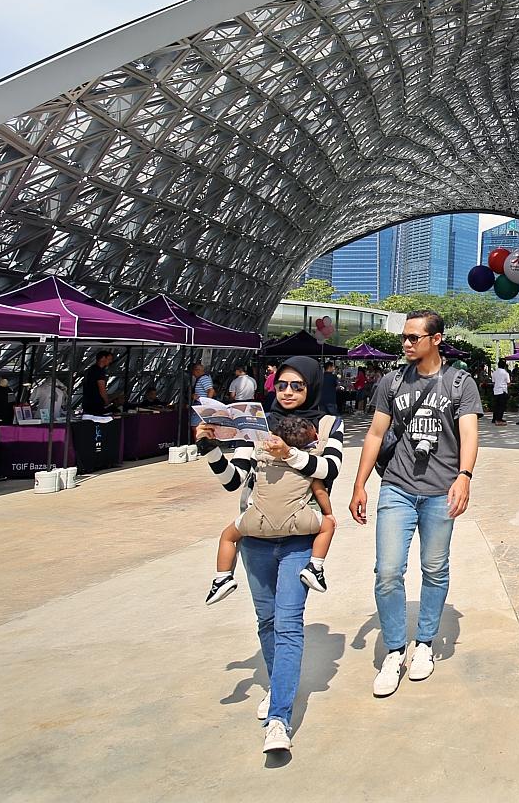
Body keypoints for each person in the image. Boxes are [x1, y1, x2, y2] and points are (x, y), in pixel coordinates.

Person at [195, 354, 343, 755]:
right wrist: (210, 449)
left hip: (298, 540)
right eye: (283, 385)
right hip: (257, 539)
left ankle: (279, 717)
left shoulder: (327, 424)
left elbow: (329, 470)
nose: (290, 392)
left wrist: (288, 455)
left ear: (311, 386)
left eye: (298, 385)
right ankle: (280, 685)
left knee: (289, 624)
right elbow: (233, 482)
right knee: (267, 621)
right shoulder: (256, 427)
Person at [349, 310, 481, 698]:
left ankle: (424, 642)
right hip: (398, 488)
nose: (406, 344)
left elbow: (470, 433)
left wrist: (465, 476)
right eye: (404, 338)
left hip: (441, 491)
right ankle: (394, 649)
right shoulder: (391, 382)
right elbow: (375, 434)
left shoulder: (459, 382)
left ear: (435, 339)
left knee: (435, 569)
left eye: (413, 338)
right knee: (388, 572)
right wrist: (359, 484)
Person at [204, 409, 340, 604]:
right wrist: (329, 514)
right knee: (328, 526)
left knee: (227, 536)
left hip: (256, 520)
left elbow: (239, 480)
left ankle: (223, 577)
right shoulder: (308, 464)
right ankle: (315, 567)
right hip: (298, 519)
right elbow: (320, 492)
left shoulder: (262, 459)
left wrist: (210, 447)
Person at [77, 349, 121, 473]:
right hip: (96, 407)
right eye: (109, 358)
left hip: (87, 406)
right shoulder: (99, 372)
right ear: (103, 358)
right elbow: (102, 389)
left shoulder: (89, 370)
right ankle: (106, 459)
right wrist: (107, 401)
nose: (111, 361)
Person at [490, 360, 511, 426]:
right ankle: (499, 418)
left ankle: (494, 418)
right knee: (501, 406)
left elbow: (493, 382)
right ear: (504, 365)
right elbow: (508, 383)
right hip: (503, 391)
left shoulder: (494, 373)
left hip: (496, 391)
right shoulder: (506, 373)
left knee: (496, 405)